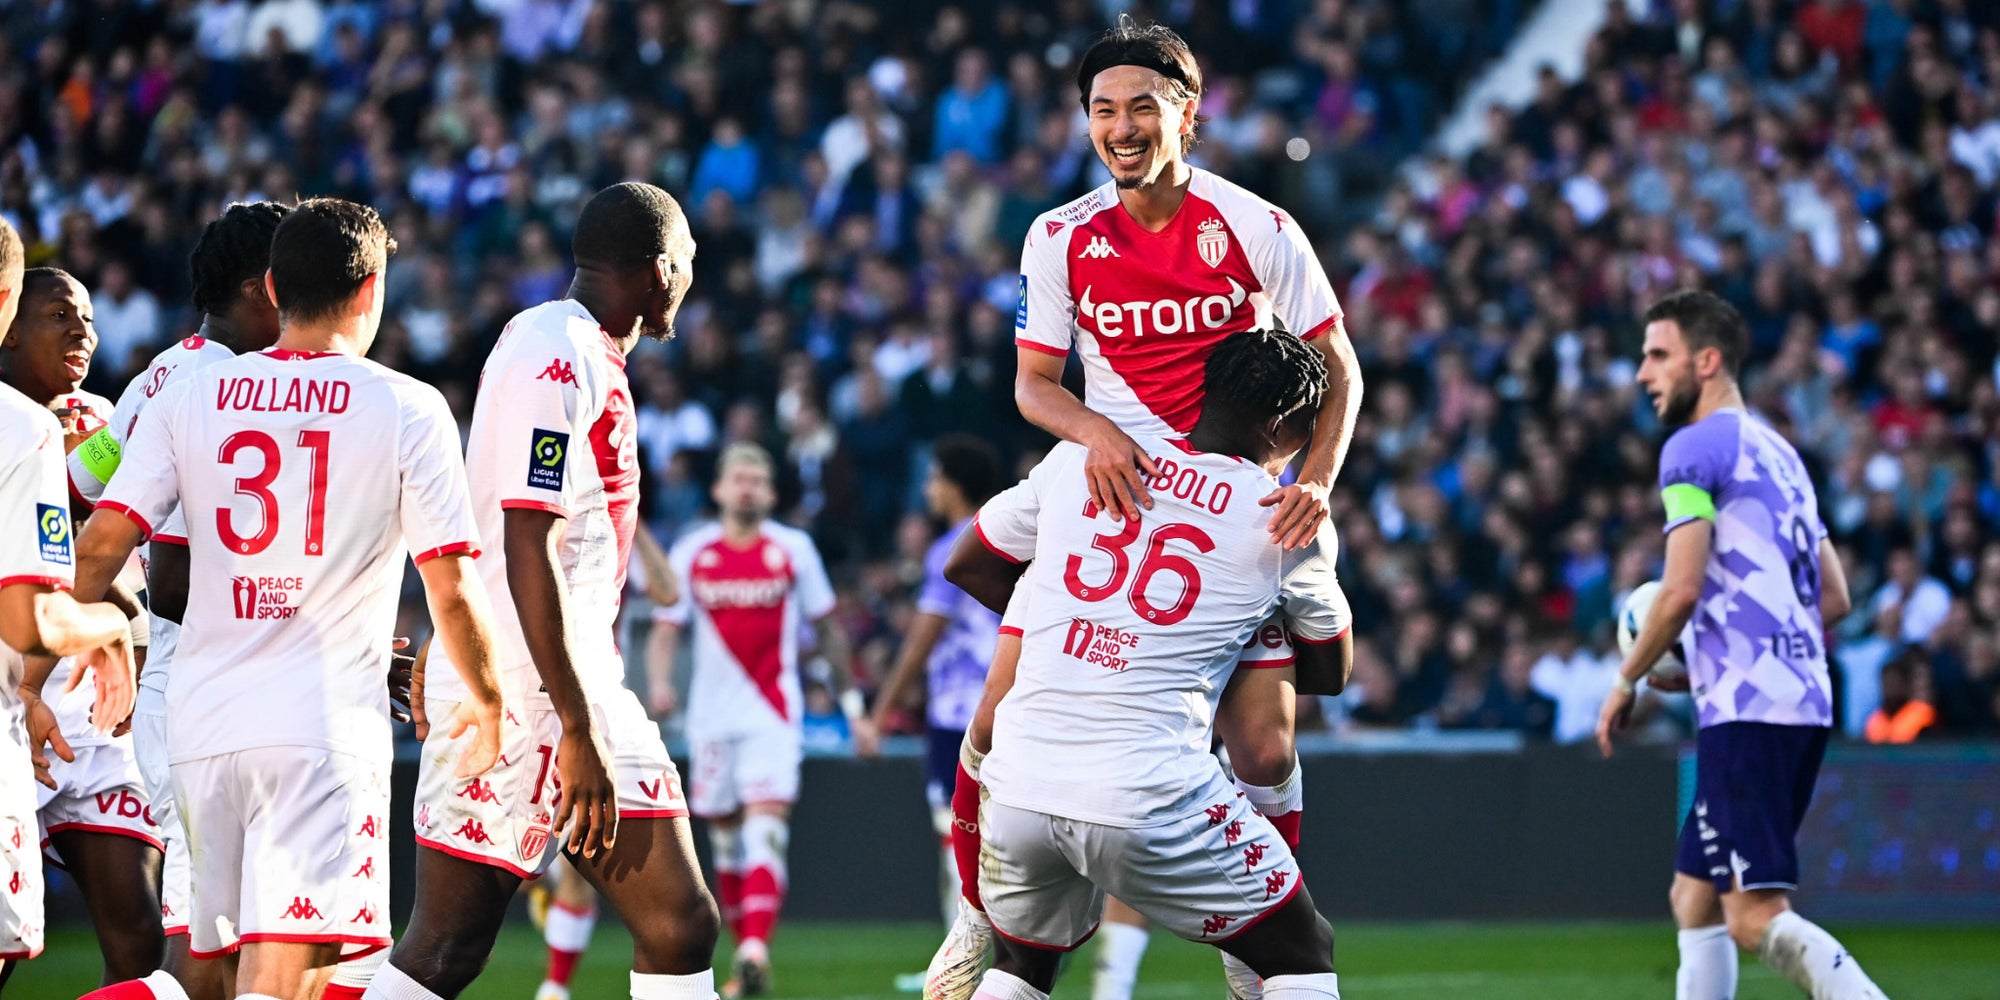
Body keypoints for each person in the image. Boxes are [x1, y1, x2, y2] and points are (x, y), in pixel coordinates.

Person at [932, 18, 1364, 1000]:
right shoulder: (1060, 235)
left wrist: (1314, 486)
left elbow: (1335, 367)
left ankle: (1246, 946)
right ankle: (975, 913)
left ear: (1187, 114)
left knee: (1263, 745)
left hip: (1232, 503)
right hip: (1105, 495)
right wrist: (1096, 437)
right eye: (1101, 109)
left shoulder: (1255, 227)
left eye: (1140, 106)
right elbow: (1032, 385)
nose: (1119, 127)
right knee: (1000, 712)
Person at [65, 197, 508, 1000]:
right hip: (313, 725)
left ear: (276, 285)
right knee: (284, 974)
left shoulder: (170, 385)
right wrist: (485, 693)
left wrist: (46, 655)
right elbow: (450, 581)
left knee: (223, 971)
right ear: (371, 290)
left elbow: (92, 523)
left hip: (200, 718)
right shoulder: (406, 406)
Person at [372, 181, 721, 1000]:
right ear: (662, 271)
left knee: (679, 925)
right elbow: (527, 536)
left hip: (559, 676)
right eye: (691, 264)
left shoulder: (568, 346)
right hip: (536, 693)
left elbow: (480, 516)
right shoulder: (556, 353)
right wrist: (574, 724)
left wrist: (441, 631)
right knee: (446, 949)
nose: (693, 281)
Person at [944, 328, 1351, 1000]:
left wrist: (1071, 626)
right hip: (1147, 790)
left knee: (1023, 971)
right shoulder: (1283, 517)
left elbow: (968, 562)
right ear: (1284, 426)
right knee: (1302, 953)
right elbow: (1331, 670)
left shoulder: (1085, 458)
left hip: (1018, 783)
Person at [1598, 289, 1885, 1000]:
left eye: (1658, 355)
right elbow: (1837, 597)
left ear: (1708, 359)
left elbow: (1681, 590)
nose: (1643, 373)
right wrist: (1725, 657)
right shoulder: (1783, 456)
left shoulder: (1691, 450)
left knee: (1755, 919)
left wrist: (1628, 677)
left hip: (1750, 714)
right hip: (1801, 698)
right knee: (1693, 897)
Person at [65, 200, 297, 1000]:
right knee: (208, 960)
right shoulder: (230, 386)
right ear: (265, 288)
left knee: (240, 951)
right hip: (204, 686)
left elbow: (81, 485)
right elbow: (170, 581)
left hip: (189, 686)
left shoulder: (152, 376)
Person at [653, 442, 873, 998]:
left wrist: (855, 711)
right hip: (710, 719)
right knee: (726, 844)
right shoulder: (692, 550)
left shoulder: (794, 548)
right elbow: (665, 625)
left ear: (771, 493)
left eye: (757, 479)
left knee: (765, 830)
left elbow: (828, 629)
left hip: (774, 714)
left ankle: (754, 948)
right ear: (719, 490)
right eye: (738, 478)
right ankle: (746, 957)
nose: (747, 487)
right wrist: (658, 683)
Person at [0, 265, 166, 987]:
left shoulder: (103, 417)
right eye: (59, 315)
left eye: (90, 318)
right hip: (19, 694)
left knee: (139, 932)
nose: (82, 331)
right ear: (8, 327)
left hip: (98, 721)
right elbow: (72, 507)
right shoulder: (27, 431)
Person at [865, 435, 1006, 920]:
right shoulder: (1011, 535)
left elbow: (920, 643)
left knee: (957, 835)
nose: (927, 488)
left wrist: (880, 715)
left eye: (934, 478)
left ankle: (961, 959)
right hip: (1011, 704)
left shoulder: (951, 548)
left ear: (954, 485)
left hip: (958, 715)